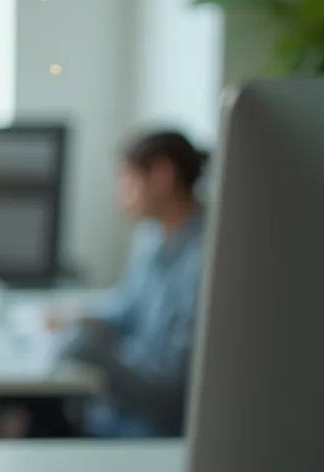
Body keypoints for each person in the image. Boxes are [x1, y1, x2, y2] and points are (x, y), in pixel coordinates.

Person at [56, 130, 209, 437]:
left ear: (162, 175)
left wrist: (88, 348)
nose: (120, 193)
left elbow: (172, 391)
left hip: (151, 430)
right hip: (123, 407)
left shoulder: (205, 257)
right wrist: (79, 318)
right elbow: (129, 311)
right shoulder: (152, 235)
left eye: (127, 179)